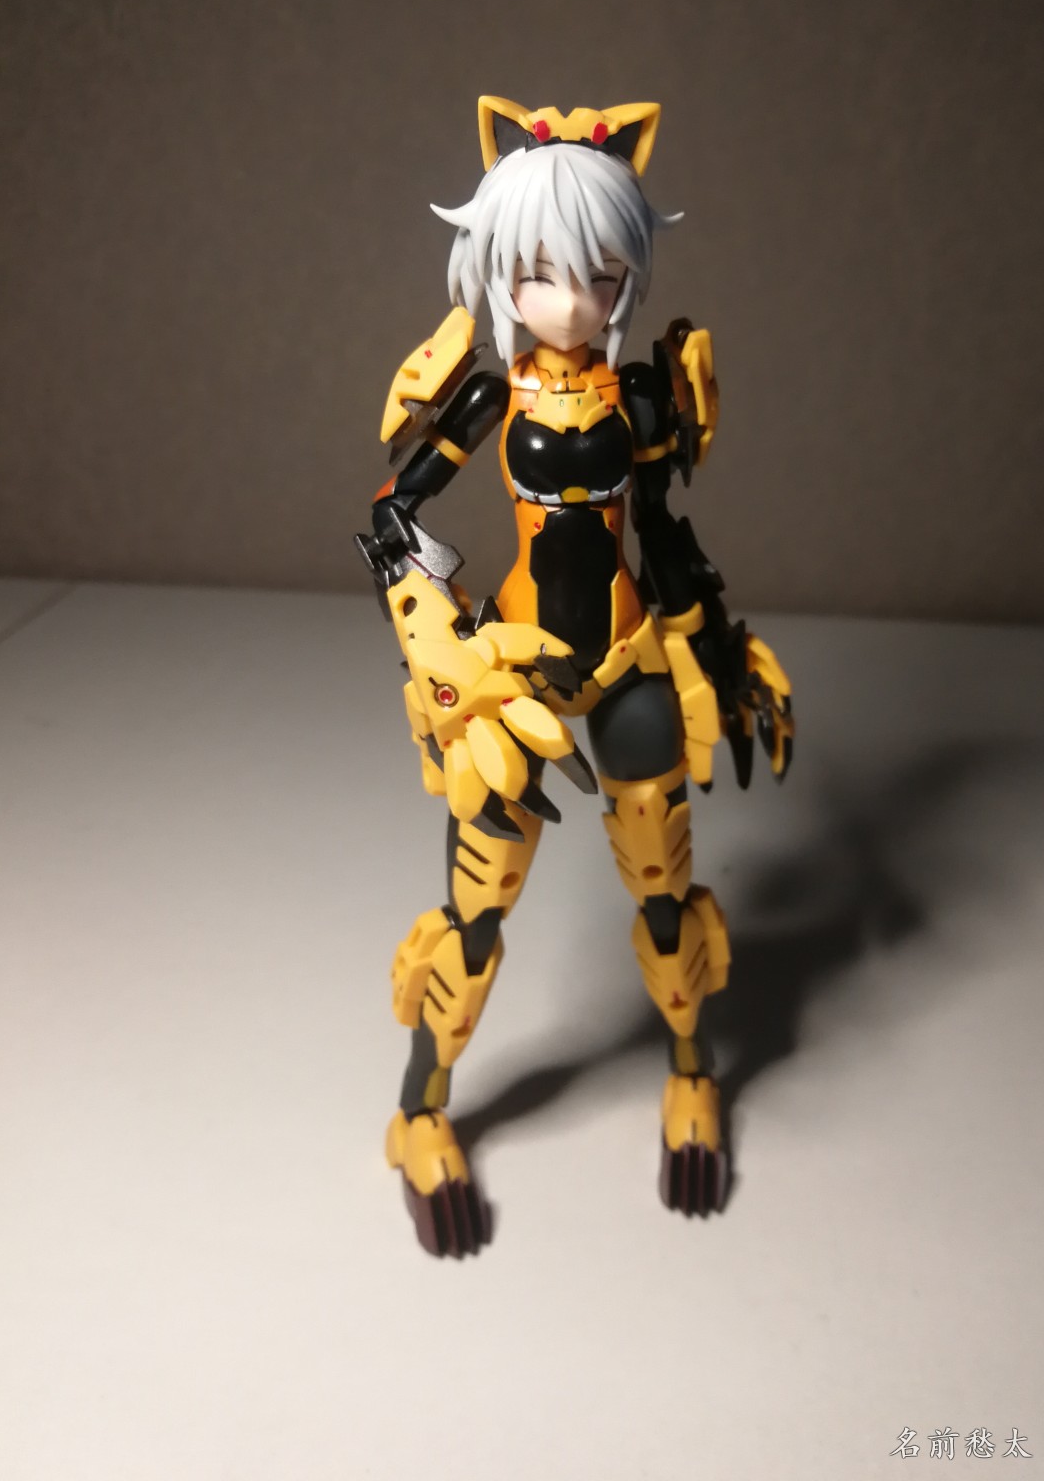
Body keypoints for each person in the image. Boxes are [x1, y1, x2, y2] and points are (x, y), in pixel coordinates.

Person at [356, 96, 793, 1256]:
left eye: (601, 274)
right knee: (475, 915)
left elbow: (664, 529)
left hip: (630, 660)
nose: (574, 301)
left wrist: (716, 645)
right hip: (515, 678)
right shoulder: (486, 395)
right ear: (502, 271)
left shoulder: (641, 397)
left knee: (665, 887)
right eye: (544, 273)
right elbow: (390, 517)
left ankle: (693, 1074)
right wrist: (440, 649)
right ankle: (419, 1113)